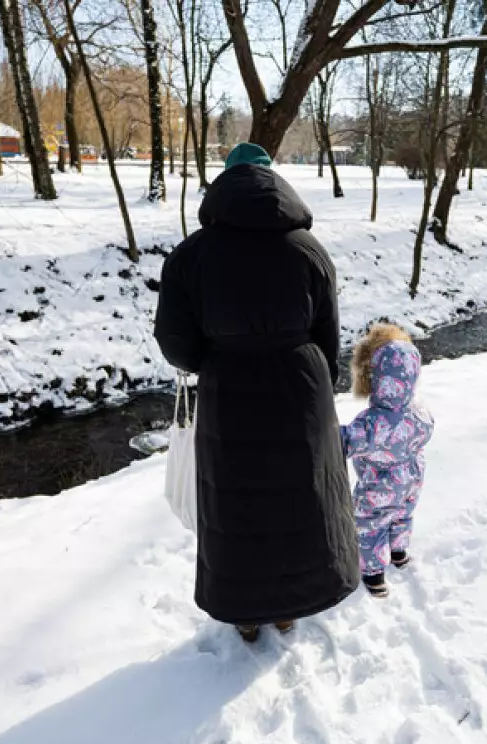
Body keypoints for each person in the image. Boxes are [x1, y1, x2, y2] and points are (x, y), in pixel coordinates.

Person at [154, 143, 359, 642]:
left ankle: (246, 614)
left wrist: (217, 358)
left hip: (230, 391)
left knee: (238, 503)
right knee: (298, 498)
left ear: (224, 185)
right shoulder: (309, 249)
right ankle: (290, 606)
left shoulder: (192, 254)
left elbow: (175, 343)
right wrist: (318, 383)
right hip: (302, 388)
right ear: (276, 183)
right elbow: (328, 334)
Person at [341, 324, 434, 598]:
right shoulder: (420, 411)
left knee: (371, 524)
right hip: (413, 479)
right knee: (402, 515)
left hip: (381, 486)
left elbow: (345, 442)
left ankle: (374, 575)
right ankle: (399, 552)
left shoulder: (373, 423)